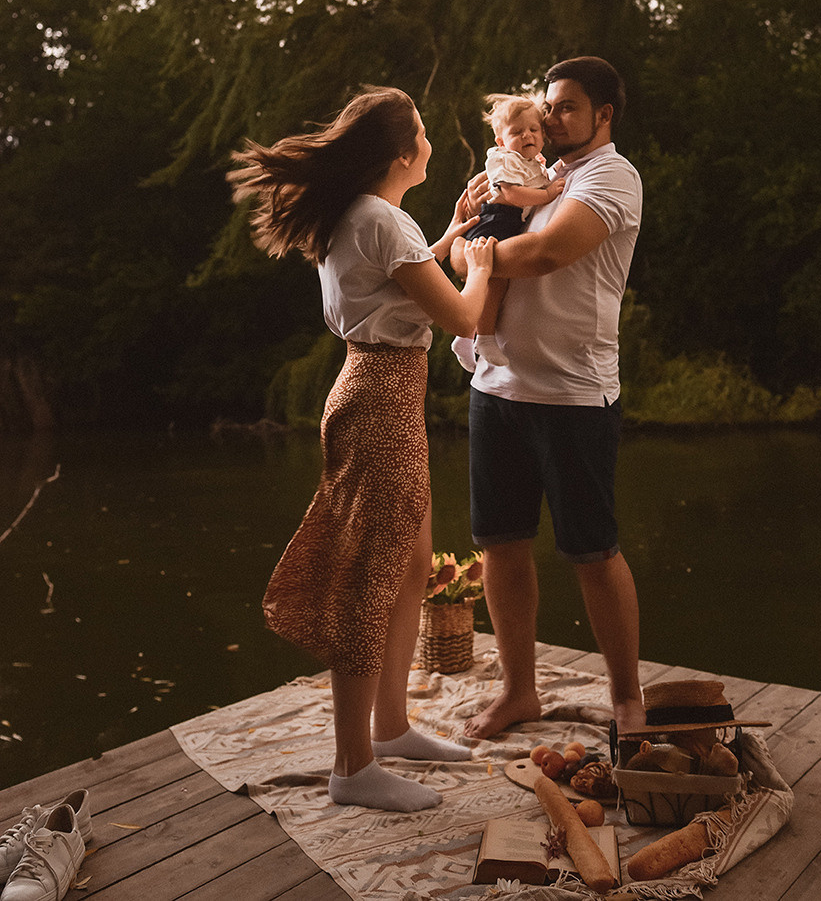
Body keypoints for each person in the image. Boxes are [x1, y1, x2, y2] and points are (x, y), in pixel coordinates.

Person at [228, 87, 495, 811]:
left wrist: (444, 239)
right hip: (381, 399)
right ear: (402, 152)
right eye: (424, 129)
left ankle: (390, 727)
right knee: (369, 583)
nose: (431, 139)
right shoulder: (381, 218)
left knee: (410, 568)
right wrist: (482, 263)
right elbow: (462, 312)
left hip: (374, 390)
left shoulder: (370, 217)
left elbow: (399, 280)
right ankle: (352, 768)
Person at [450, 57, 645, 740]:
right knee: (499, 545)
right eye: (548, 106)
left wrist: (473, 253)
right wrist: (466, 233)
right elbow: (465, 248)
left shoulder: (609, 176)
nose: (553, 117)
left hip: (572, 392)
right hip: (496, 384)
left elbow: (543, 254)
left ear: (603, 114)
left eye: (567, 106)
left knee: (592, 552)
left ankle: (626, 698)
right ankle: (517, 692)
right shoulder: (528, 171)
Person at [452, 94, 564, 370]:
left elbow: (536, 179)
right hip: (496, 221)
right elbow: (511, 193)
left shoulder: (531, 162)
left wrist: (560, 169)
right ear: (501, 142)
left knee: (491, 283)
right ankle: (484, 338)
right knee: (494, 281)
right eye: (517, 132)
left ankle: (464, 337)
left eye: (533, 129)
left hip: (508, 223)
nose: (527, 135)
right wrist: (548, 194)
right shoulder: (503, 160)